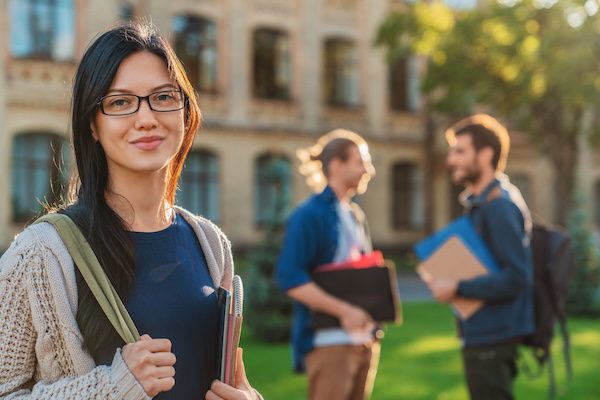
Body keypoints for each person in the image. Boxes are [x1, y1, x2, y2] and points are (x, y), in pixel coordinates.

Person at [0, 22, 261, 400]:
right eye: (120, 102)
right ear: (92, 123)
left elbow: (232, 380)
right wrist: (113, 387)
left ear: (184, 111)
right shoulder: (41, 254)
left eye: (163, 97)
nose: (146, 118)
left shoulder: (209, 242)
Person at [423, 114, 534, 400]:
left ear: (485, 155)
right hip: (483, 336)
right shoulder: (483, 204)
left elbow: (517, 277)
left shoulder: (499, 208)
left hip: (492, 340)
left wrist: (458, 288)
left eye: (460, 151)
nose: (451, 160)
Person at [276, 129, 380, 400]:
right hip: (330, 341)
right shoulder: (308, 215)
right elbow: (290, 277)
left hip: (364, 340)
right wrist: (345, 311)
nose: (368, 170)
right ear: (336, 165)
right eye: (360, 162)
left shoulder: (355, 215)